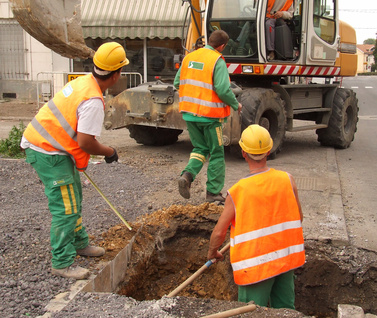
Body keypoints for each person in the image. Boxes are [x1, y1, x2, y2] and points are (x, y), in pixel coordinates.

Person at [20, 42, 129, 280]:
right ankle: (61, 262)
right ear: (116, 74)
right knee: (66, 208)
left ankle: (79, 243)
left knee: (74, 196)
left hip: (49, 146)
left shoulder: (83, 82)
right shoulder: (92, 100)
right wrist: (109, 151)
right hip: (48, 151)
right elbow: (86, 142)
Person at [207, 124, 305, 308]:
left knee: (250, 312)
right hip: (285, 259)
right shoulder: (287, 179)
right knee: (285, 311)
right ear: (269, 150)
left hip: (254, 267)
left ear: (244, 153)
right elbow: (298, 217)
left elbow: (219, 233)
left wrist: (212, 252)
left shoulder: (237, 192)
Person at [174, 30, 242, 203]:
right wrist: (236, 104)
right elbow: (222, 89)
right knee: (216, 153)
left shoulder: (189, 58)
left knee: (200, 149)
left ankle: (187, 176)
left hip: (190, 114)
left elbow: (177, 83)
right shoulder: (217, 60)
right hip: (210, 117)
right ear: (222, 46)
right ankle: (213, 193)